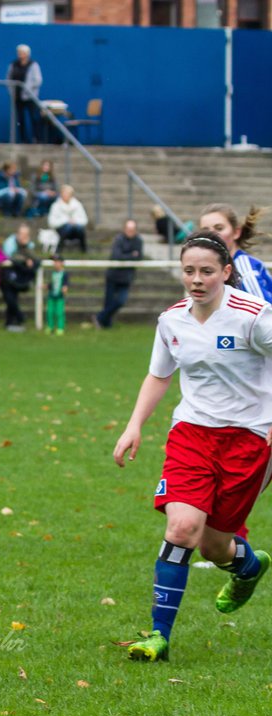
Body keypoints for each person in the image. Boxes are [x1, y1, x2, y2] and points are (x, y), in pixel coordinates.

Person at [113, 231, 272, 663]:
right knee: (182, 529)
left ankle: (249, 567)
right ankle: (158, 637)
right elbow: (159, 375)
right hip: (192, 434)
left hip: (248, 437)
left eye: (206, 271)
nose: (196, 279)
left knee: (213, 546)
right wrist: (134, 425)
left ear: (226, 273)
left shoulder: (253, 316)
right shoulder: (172, 320)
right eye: (189, 271)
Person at [198, 203, 272, 302]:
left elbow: (265, 314)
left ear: (236, 232)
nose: (212, 235)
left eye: (219, 228)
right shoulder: (215, 269)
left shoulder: (244, 270)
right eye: (205, 231)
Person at [95, 219, 144, 329]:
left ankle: (100, 317)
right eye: (128, 229)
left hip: (126, 277)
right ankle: (105, 323)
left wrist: (127, 256)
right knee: (109, 301)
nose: (130, 231)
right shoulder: (119, 239)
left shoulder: (138, 241)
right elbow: (117, 256)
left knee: (121, 300)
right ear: (124, 229)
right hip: (113, 275)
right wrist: (132, 255)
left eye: (132, 229)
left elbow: (139, 257)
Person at [1, 223, 38, 332]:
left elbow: (33, 258)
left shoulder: (29, 244)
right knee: (10, 298)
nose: (23, 237)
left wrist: (26, 249)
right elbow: (11, 256)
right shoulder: (9, 242)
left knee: (13, 298)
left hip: (17, 275)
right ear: (17, 234)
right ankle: (20, 317)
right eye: (22, 234)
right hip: (6, 275)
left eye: (26, 234)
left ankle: (10, 323)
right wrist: (25, 259)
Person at [7, 44, 42, 144]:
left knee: (34, 118)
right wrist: (12, 91)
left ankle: (37, 139)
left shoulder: (33, 65)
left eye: (23, 53)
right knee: (20, 119)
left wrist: (27, 89)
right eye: (19, 53)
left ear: (27, 54)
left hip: (30, 97)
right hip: (17, 96)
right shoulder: (13, 65)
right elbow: (9, 78)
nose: (20, 55)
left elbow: (38, 80)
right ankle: (23, 140)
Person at [48, 185, 88, 253]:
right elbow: (51, 222)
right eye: (64, 193)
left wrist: (75, 221)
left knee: (79, 229)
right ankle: (59, 251)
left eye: (68, 194)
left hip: (76, 229)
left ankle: (84, 250)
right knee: (68, 227)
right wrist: (66, 221)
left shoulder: (78, 205)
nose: (66, 195)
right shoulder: (55, 206)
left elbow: (85, 220)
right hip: (61, 230)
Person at [45, 255, 68, 335]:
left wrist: (65, 289)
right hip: (51, 296)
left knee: (59, 313)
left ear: (61, 263)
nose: (55, 264)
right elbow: (52, 284)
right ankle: (50, 326)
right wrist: (47, 286)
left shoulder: (64, 274)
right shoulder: (53, 273)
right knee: (50, 312)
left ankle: (60, 328)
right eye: (54, 262)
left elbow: (65, 284)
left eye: (57, 262)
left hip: (59, 297)